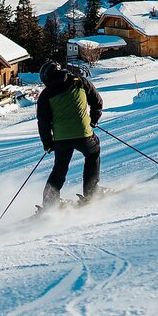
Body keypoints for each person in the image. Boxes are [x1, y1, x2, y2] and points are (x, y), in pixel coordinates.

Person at [37, 60, 103, 208]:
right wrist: (93, 120)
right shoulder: (80, 81)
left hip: (61, 139)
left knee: (60, 167)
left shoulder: (46, 94)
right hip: (84, 134)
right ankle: (92, 193)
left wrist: (47, 143)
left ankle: (50, 204)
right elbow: (97, 101)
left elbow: (43, 121)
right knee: (93, 154)